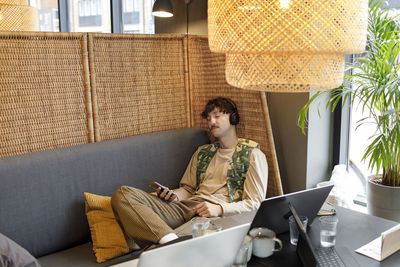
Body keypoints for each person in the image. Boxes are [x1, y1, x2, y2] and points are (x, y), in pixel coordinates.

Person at [111, 97, 268, 248]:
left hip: (216, 216)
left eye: (217, 116)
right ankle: (170, 242)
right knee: (123, 194)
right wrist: (173, 195)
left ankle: (166, 245)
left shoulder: (252, 155)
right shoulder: (203, 152)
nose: (211, 122)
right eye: (208, 118)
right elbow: (188, 189)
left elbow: (255, 204)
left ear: (233, 118)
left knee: (164, 249)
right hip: (187, 207)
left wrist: (219, 209)